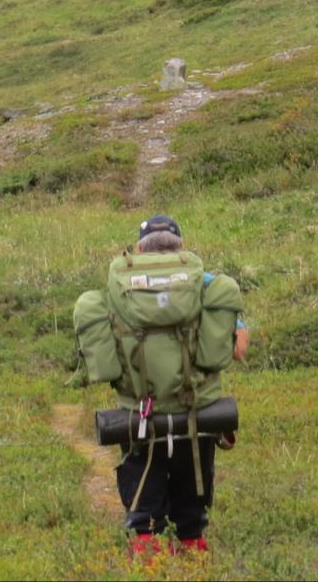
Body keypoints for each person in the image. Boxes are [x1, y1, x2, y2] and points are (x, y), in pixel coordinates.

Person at [75, 214, 248, 557]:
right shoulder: (206, 283)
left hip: (139, 412)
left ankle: (146, 554)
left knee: (142, 492)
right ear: (181, 246)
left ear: (139, 249)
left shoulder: (117, 287)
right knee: (193, 495)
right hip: (197, 412)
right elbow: (239, 350)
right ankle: (193, 552)